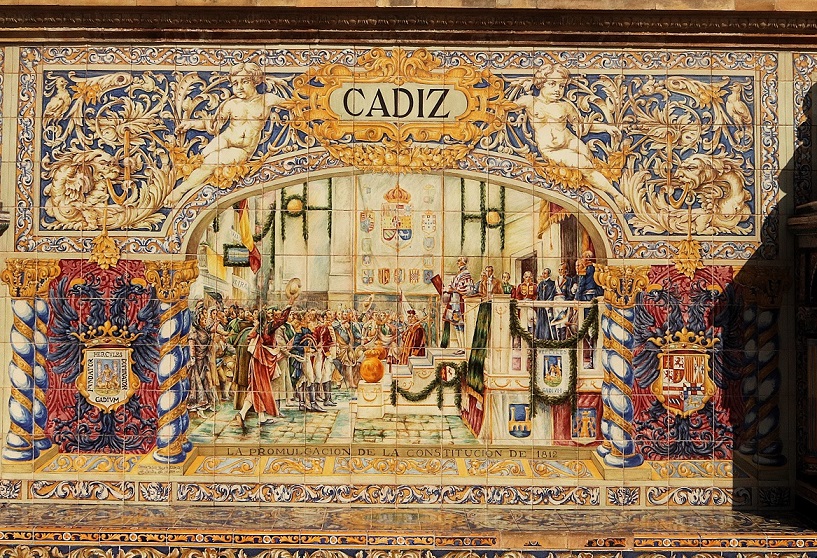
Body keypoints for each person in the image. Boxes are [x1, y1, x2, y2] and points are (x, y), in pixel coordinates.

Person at [513, 64, 629, 211]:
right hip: (552, 150)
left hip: (571, 142)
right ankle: (616, 195)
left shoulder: (565, 106)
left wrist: (606, 128)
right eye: (552, 84)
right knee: (583, 163)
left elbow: (583, 127)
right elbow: (504, 107)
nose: (557, 90)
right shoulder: (530, 101)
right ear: (541, 83)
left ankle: (601, 195)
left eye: (561, 86)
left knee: (589, 162)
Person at [168, 62, 288, 203]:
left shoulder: (267, 100)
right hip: (225, 138)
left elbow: (293, 104)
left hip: (243, 149)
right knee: (203, 156)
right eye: (235, 83)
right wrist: (191, 124)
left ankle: (180, 191)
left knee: (211, 161)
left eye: (245, 82)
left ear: (255, 81)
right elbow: (213, 125)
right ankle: (190, 186)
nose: (239, 87)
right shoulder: (231, 104)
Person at [235, 306, 290, 432]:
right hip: (262, 362)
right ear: (266, 318)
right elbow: (283, 320)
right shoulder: (269, 327)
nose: (272, 315)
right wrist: (289, 306)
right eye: (269, 314)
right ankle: (244, 414)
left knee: (256, 388)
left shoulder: (258, 328)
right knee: (260, 389)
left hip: (256, 361)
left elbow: (250, 336)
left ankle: (258, 416)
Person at [442, 256, 474, 349]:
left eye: (459, 261)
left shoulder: (466, 274)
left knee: (461, 325)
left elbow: (469, 290)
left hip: (460, 303)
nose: (457, 262)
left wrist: (453, 290)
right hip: (454, 302)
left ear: (464, 262)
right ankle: (460, 348)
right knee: (456, 325)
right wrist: (448, 289)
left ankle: (463, 348)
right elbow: (453, 286)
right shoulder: (458, 274)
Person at [535, 268, 556, 340]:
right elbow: (538, 294)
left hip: (548, 306)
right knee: (540, 322)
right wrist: (538, 302)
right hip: (541, 306)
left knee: (547, 322)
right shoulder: (541, 284)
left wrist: (547, 303)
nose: (543, 275)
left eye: (545, 273)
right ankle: (540, 338)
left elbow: (552, 294)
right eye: (543, 273)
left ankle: (547, 338)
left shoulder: (552, 283)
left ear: (548, 274)